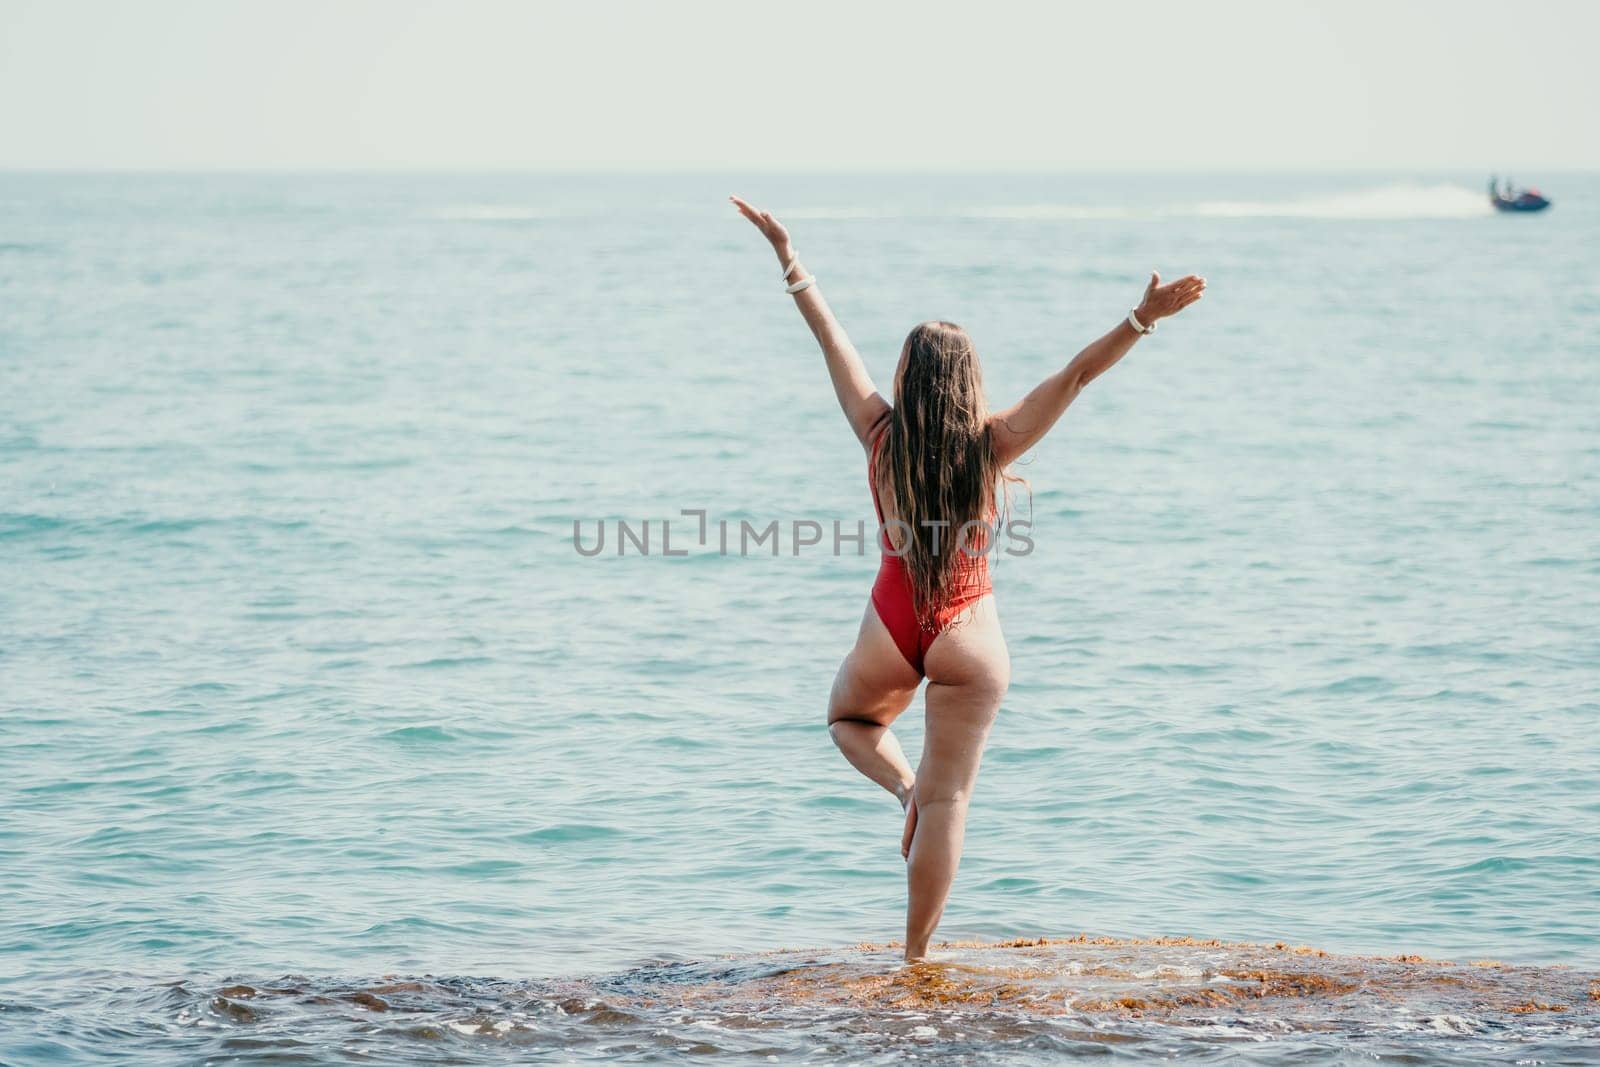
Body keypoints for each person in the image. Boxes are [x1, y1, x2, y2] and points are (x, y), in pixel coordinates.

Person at [730, 194, 1205, 961]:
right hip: (968, 630)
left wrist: (790, 260)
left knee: (848, 722)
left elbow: (830, 338)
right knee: (950, 798)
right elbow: (1078, 376)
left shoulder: (878, 434)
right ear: (965, 381)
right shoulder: (993, 445)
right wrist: (1142, 319)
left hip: (893, 621)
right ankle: (916, 956)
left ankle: (901, 790)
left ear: (907, 379)